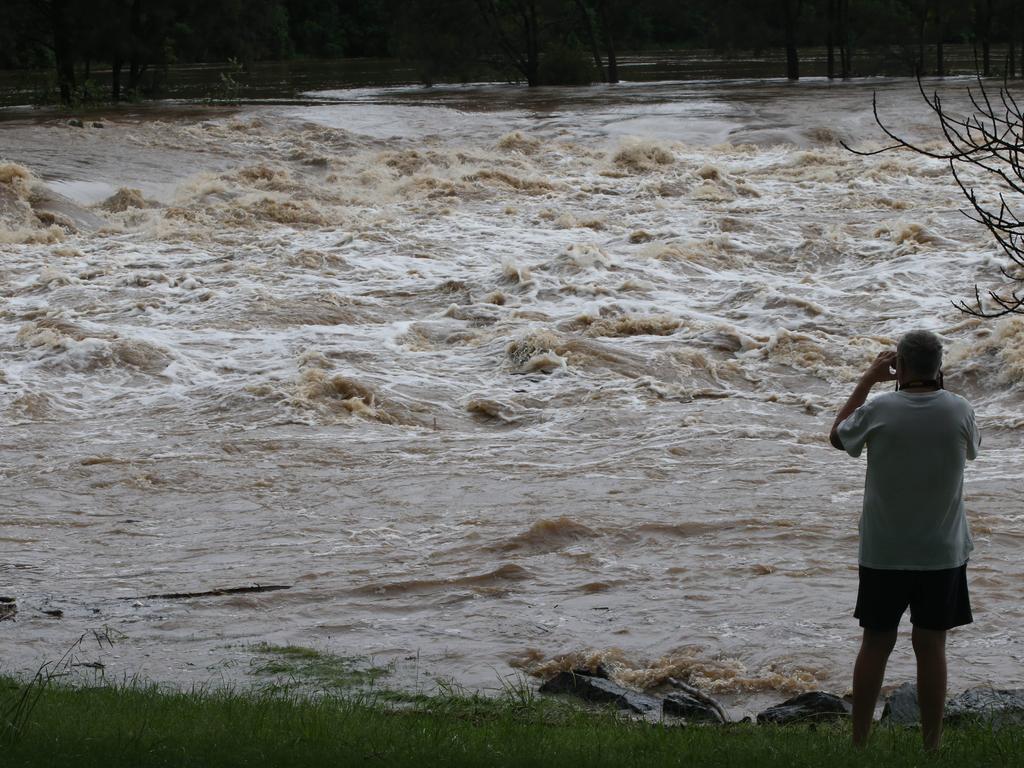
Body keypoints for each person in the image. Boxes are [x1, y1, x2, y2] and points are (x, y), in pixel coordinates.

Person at [828, 329, 980, 752]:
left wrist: (866, 381)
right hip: (942, 551)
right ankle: (931, 745)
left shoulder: (879, 408)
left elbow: (838, 437)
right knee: (931, 645)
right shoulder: (960, 410)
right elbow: (972, 450)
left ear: (900, 366)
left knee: (876, 642)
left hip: (885, 550)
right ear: (939, 366)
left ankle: (860, 743)